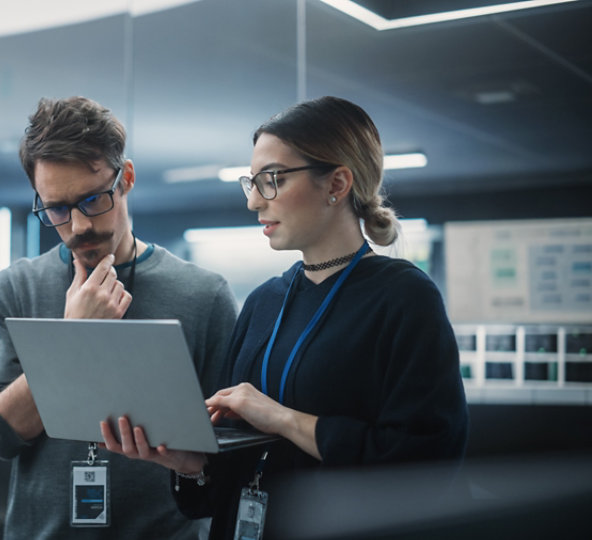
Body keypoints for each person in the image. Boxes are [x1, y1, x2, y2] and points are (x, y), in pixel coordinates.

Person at [101, 96, 469, 539]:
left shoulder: (404, 297)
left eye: (272, 179)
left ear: (337, 183)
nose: (255, 201)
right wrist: (190, 463)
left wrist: (281, 418)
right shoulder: (263, 302)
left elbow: (425, 463)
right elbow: (222, 483)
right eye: (252, 183)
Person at [0, 95, 238, 539]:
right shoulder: (15, 288)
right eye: (56, 208)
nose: (77, 225)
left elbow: (229, 452)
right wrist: (73, 336)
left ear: (126, 179)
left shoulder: (204, 295)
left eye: (92, 200)